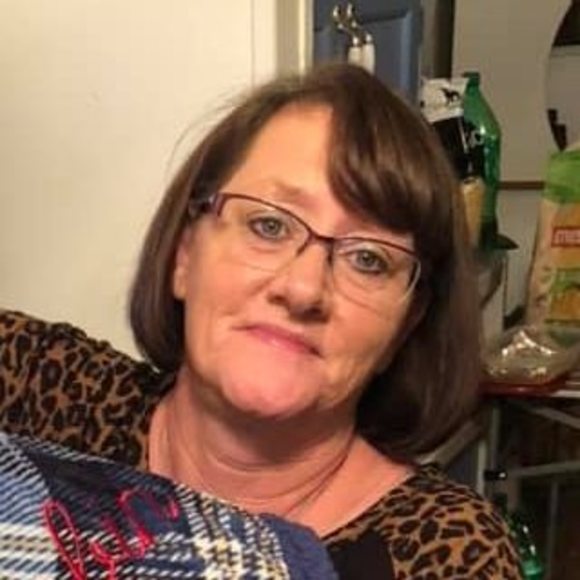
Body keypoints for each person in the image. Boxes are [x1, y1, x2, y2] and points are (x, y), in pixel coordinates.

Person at [0, 63, 522, 578]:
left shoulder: (449, 550)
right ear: (184, 255)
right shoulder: (34, 387)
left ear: (404, 328)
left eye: (368, 259)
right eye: (269, 226)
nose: (303, 289)